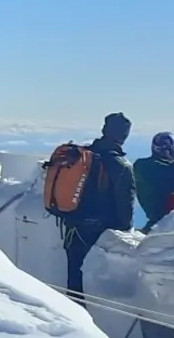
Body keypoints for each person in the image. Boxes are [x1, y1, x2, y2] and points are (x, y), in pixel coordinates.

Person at [58, 113, 136, 301]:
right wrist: (125, 231)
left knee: (74, 281)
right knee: (94, 289)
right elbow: (125, 211)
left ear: (104, 130)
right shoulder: (121, 166)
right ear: (124, 136)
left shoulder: (81, 156)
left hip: (73, 226)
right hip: (99, 234)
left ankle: (71, 314)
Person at [133, 132, 174, 228]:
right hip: (166, 222)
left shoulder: (143, 165)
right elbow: (169, 171)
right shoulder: (145, 166)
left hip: (163, 222)